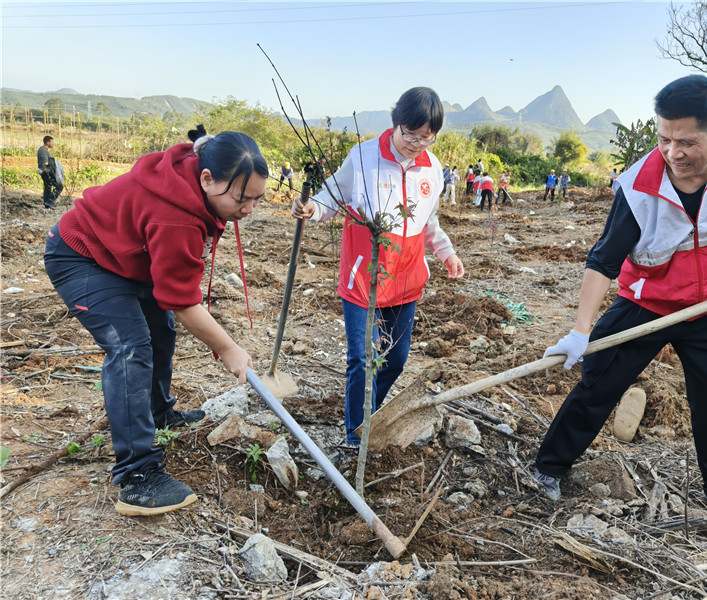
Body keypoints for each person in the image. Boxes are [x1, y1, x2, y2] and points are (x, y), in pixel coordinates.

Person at [533, 75, 707, 526]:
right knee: (597, 385)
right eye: (664, 139)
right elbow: (602, 263)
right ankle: (549, 468)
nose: (673, 153)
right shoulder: (639, 185)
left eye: (686, 141)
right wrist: (580, 332)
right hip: (647, 303)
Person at [44, 125, 269, 516]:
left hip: (124, 257)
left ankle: (157, 412)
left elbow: (174, 300)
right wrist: (228, 348)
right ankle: (138, 476)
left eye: (257, 199)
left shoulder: (195, 180)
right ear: (206, 178)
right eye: (241, 198)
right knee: (130, 346)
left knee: (159, 328)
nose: (248, 209)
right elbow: (183, 301)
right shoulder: (175, 214)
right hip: (81, 255)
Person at [291, 87, 465, 447]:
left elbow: (428, 221)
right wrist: (312, 209)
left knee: (396, 359)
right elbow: (333, 196)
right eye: (410, 134)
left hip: (405, 277)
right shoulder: (364, 156)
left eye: (426, 137)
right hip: (364, 275)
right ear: (395, 123)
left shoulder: (431, 167)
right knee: (362, 357)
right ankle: (356, 436)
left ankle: (372, 414)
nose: (416, 144)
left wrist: (446, 252)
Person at [38, 135, 64, 209]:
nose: (53, 144)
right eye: (52, 142)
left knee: (48, 187)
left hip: (44, 172)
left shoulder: (43, 150)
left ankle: (47, 205)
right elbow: (45, 163)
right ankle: (50, 201)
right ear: (47, 142)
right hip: (46, 172)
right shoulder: (43, 150)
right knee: (59, 186)